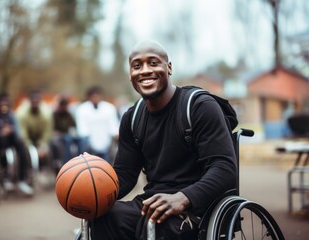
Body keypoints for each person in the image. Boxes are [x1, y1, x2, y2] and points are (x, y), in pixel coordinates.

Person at [90, 40, 237, 239]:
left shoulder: (199, 107)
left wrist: (184, 198)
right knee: (104, 217)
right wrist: (93, 194)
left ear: (169, 68)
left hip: (200, 206)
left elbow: (224, 169)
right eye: (137, 65)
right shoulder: (131, 118)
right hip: (154, 202)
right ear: (130, 74)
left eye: (153, 62)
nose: (144, 70)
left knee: (155, 224)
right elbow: (125, 174)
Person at [0, 93, 34, 196]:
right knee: (0, 146)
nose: (4, 104)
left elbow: (17, 128)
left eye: (6, 102)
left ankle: (22, 179)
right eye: (2, 102)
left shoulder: (10, 114)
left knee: (21, 145)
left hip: (11, 140)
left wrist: (10, 130)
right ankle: (4, 175)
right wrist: (0, 133)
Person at [75, 86, 119, 163]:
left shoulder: (109, 108)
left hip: (106, 142)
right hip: (89, 144)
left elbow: (113, 127)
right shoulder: (82, 109)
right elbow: (82, 130)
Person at [15, 90, 53, 169]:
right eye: (33, 101)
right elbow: (22, 133)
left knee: (54, 144)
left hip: (40, 138)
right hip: (27, 139)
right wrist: (29, 147)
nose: (35, 103)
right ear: (30, 101)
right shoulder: (21, 113)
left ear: (40, 101)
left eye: (37, 101)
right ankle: (24, 172)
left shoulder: (47, 113)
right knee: (21, 147)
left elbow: (47, 132)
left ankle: (52, 169)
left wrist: (42, 146)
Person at [50, 95, 77, 172]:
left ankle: (68, 162)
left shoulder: (69, 115)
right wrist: (55, 132)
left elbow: (73, 126)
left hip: (67, 135)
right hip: (57, 135)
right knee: (55, 143)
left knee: (69, 140)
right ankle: (57, 162)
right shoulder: (55, 114)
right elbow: (52, 127)